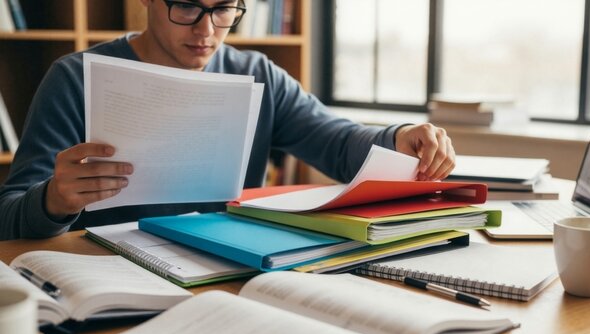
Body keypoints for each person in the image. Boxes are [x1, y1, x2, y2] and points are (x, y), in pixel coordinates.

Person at [0, 0, 455, 240]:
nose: (205, 30)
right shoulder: (75, 77)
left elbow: (338, 144)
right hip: (105, 274)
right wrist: (53, 201)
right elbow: (9, 215)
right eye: (186, 7)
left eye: (223, 10)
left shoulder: (258, 75)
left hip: (227, 266)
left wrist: (399, 137)